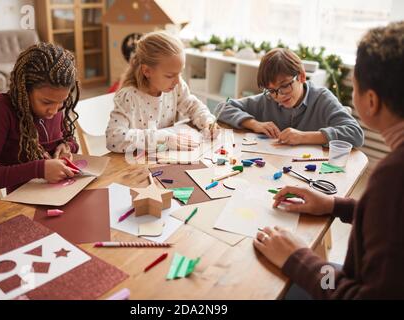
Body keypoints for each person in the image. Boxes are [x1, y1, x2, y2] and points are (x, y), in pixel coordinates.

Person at [253, 21, 404, 299]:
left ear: (370, 100)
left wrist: (299, 258)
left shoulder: (392, 177)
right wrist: (334, 204)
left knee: (260, 284)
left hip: (338, 286)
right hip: (347, 276)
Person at [0, 42, 80, 194]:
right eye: (46, 102)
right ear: (24, 89)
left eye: (61, 101)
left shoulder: (56, 106)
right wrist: (39, 169)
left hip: (63, 191)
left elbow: (69, 139)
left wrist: (67, 146)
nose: (54, 111)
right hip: (23, 203)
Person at [215, 48, 364, 147]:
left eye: (285, 85)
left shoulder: (322, 98)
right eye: (272, 90)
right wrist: (255, 124)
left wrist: (304, 137)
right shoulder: (269, 98)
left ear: (301, 76)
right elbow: (221, 108)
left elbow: (355, 133)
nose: (279, 96)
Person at [105, 31, 219, 154]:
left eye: (180, 73)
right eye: (170, 75)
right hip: (137, 162)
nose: (177, 81)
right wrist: (162, 138)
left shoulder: (176, 85)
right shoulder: (129, 97)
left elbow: (192, 105)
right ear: (147, 71)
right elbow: (114, 138)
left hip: (166, 157)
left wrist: (207, 121)